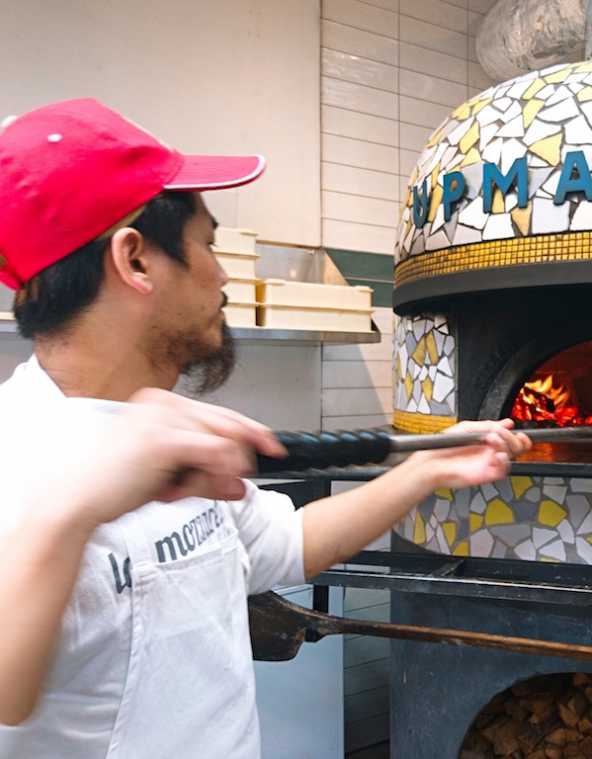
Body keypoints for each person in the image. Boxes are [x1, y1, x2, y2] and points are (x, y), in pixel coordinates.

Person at [0, 98, 531, 758]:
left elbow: (284, 541)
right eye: (208, 244)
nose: (223, 274)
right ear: (135, 260)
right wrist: (71, 513)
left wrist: (427, 469)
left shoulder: (165, 428)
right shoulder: (17, 454)